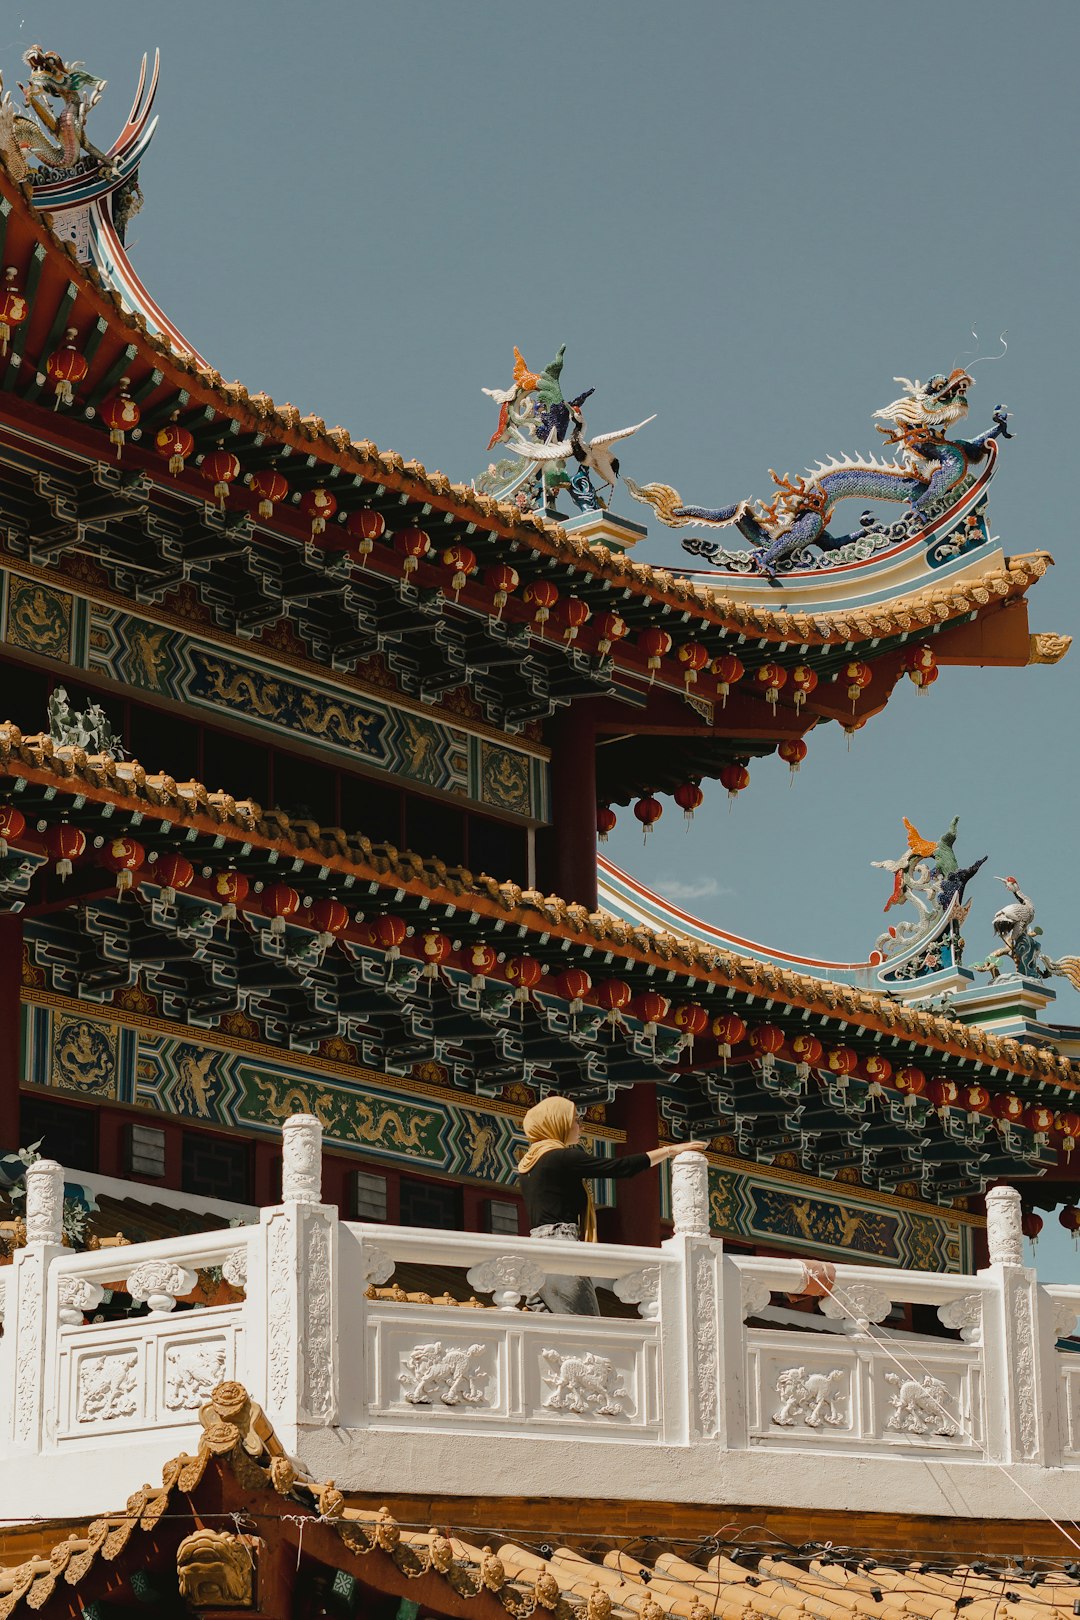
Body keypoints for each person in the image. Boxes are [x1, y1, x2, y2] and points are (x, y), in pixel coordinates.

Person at [516, 1095, 707, 1315]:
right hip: (561, 1249)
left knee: (551, 1331)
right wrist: (669, 1151)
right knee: (588, 1329)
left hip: (535, 1253)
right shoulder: (560, 1157)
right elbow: (620, 1167)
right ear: (556, 1122)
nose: (580, 1126)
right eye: (575, 1120)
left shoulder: (528, 1165)